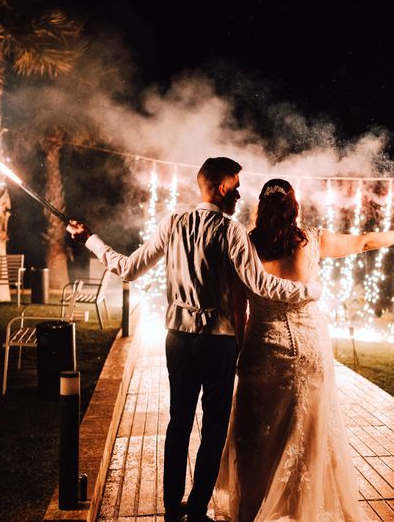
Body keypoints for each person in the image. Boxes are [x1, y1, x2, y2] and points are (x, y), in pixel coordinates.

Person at [67, 159, 322, 522]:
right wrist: (308, 291)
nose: (238, 194)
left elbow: (127, 268)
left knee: (179, 422)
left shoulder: (173, 223)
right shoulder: (231, 231)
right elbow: (260, 284)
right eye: (235, 186)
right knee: (214, 426)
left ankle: (173, 509)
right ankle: (197, 508)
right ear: (221, 188)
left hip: (179, 341)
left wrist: (89, 238)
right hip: (218, 343)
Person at [212, 179, 394, 522]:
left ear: (261, 207)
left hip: (261, 348)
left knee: (256, 434)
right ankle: (302, 511)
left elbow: (237, 308)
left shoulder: (244, 246)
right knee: (309, 435)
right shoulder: (311, 239)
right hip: (309, 351)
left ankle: (251, 512)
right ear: (294, 207)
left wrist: (241, 352)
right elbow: (366, 241)